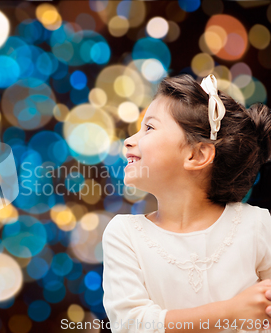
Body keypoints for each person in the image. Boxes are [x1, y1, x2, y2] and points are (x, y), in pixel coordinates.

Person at [102, 74, 271, 333]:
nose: (129, 141)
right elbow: (130, 324)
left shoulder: (258, 226)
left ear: (197, 154)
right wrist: (232, 311)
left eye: (149, 128)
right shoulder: (124, 234)